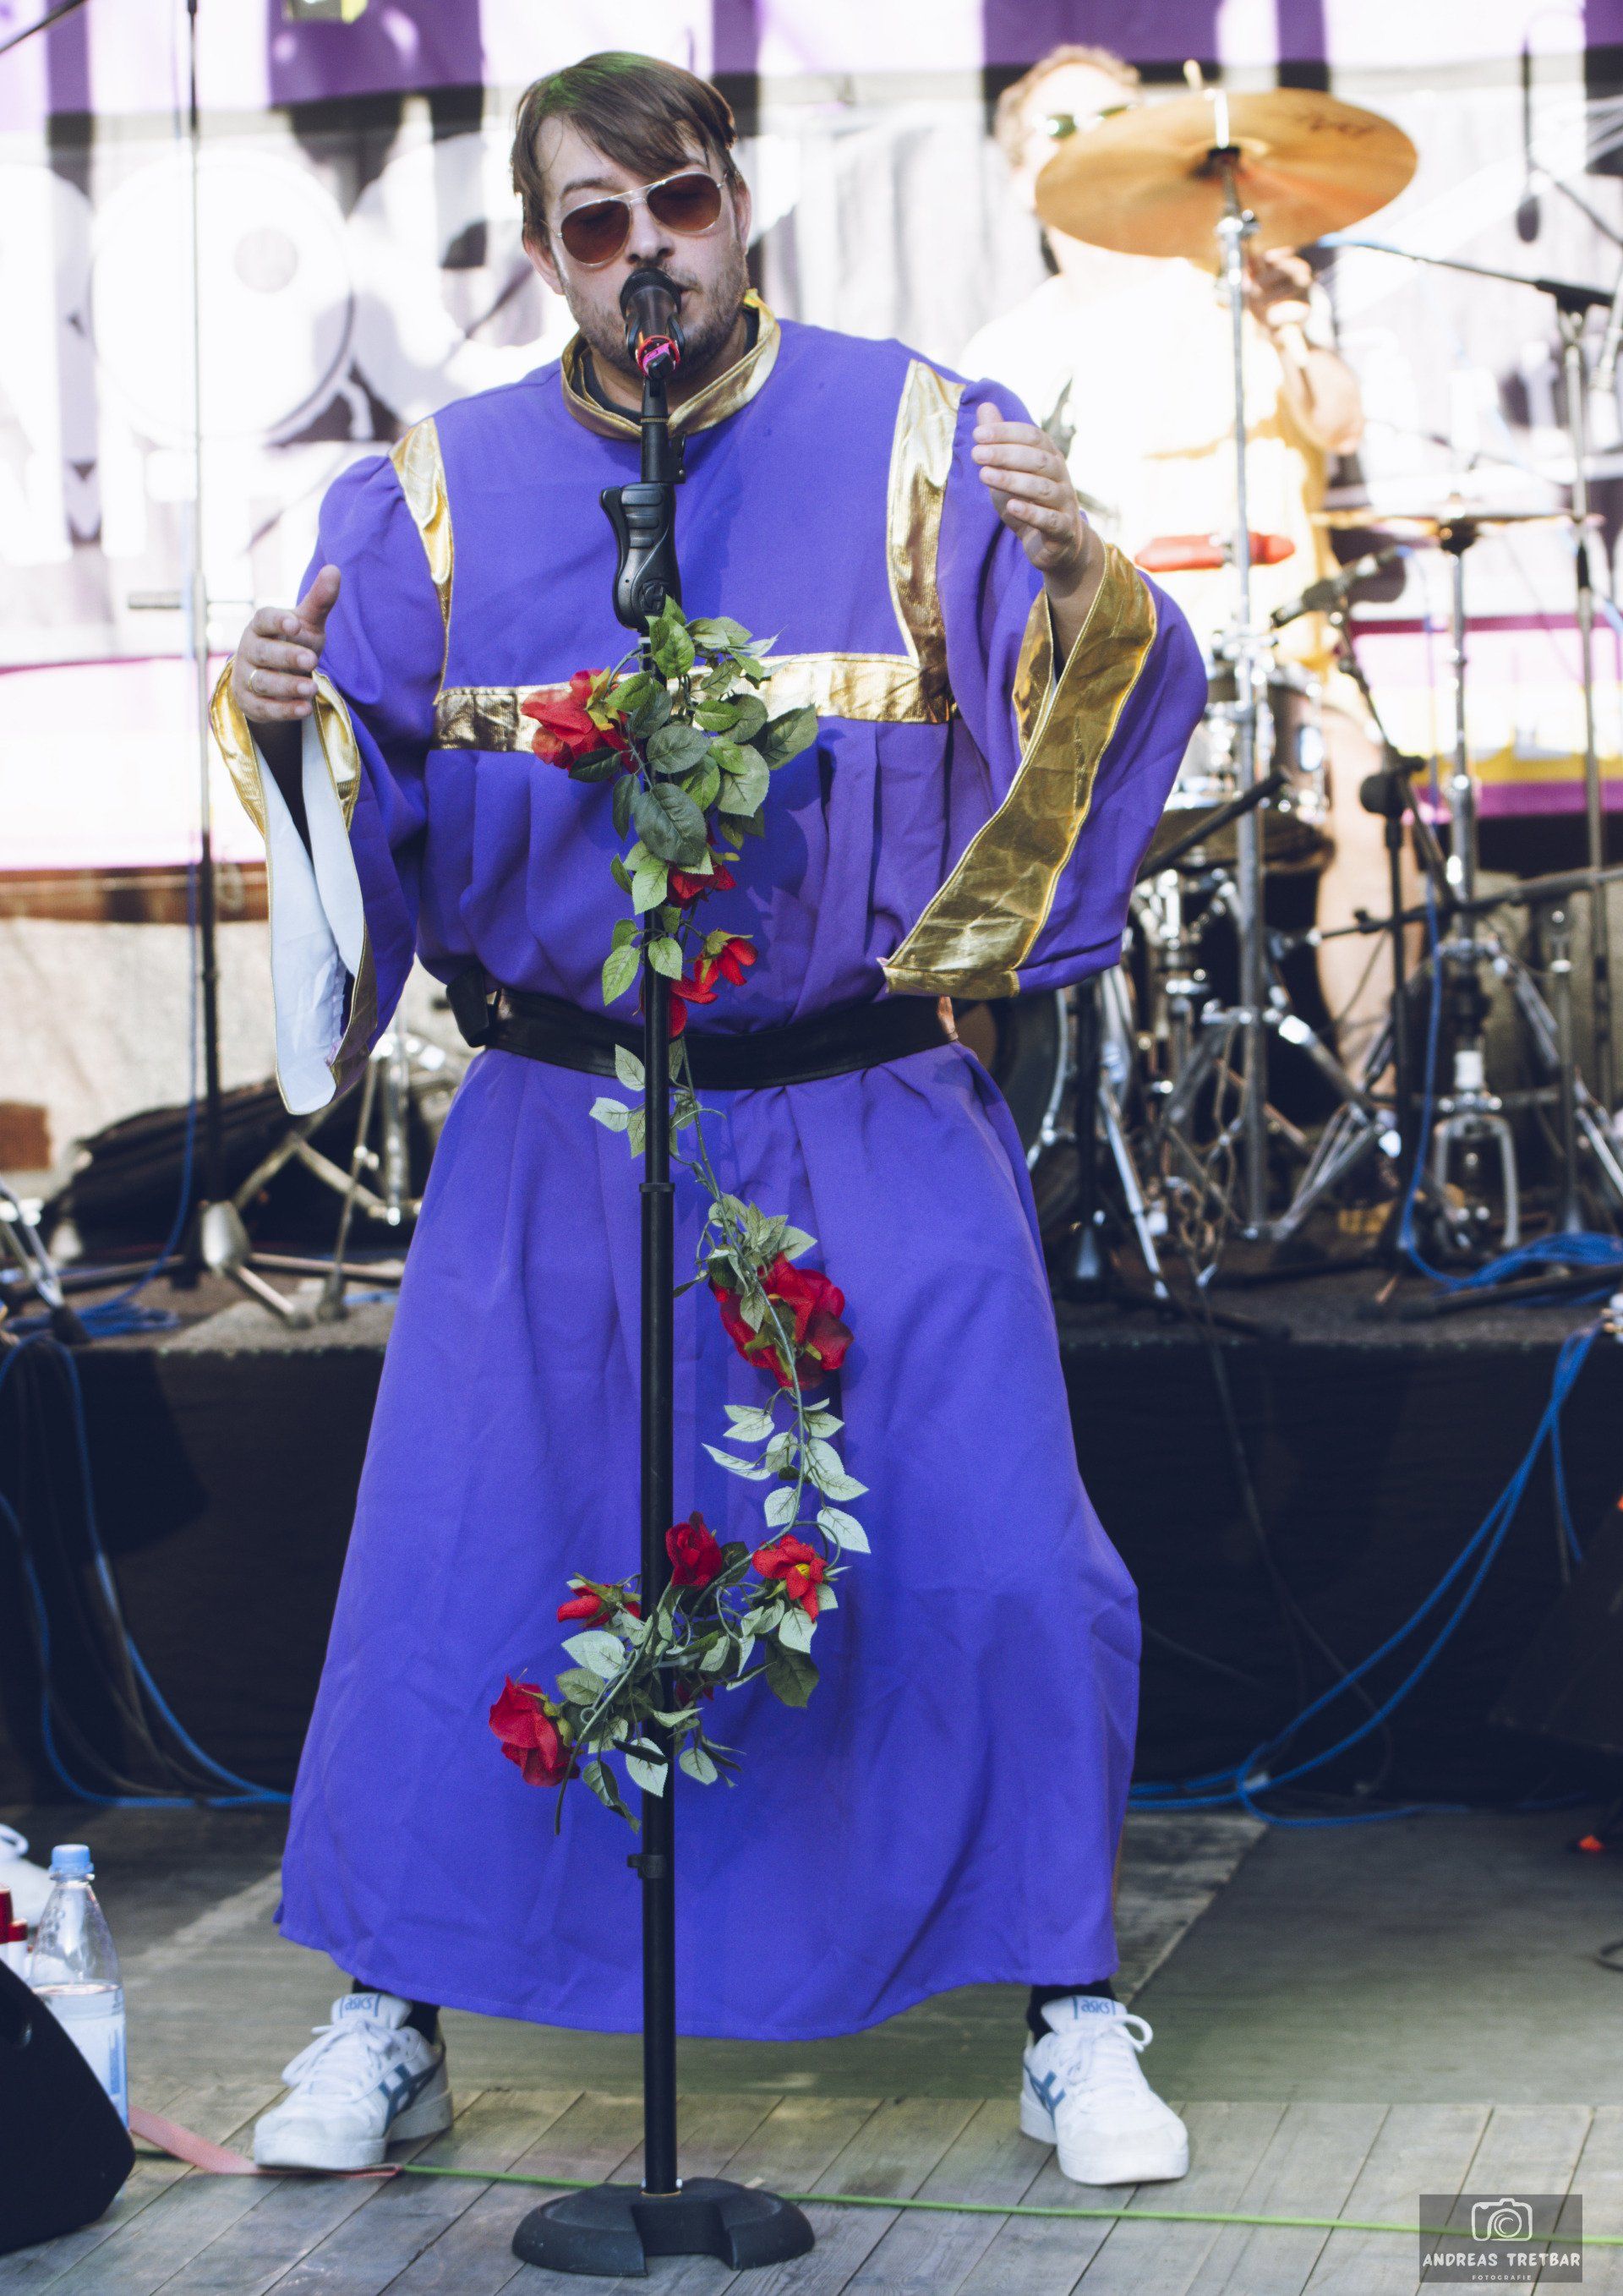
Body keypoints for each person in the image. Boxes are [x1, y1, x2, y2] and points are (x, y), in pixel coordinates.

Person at [215, 52, 1206, 2188]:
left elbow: (1092, 700)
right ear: (543, 256)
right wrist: (284, 726)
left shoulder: (927, 440)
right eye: (596, 224)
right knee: (466, 1554)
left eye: (675, 203)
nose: (645, 254)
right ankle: (391, 2009)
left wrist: (1083, 584)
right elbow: (351, 798)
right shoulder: (433, 495)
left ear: (734, 200)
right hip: (559, 1132)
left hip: (866, 1105)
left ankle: (1068, 2003)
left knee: (1001, 1558)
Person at [964, 44, 1390, 1051]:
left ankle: (1377, 1116)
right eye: (1061, 128)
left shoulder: (1232, 287)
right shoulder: (1002, 353)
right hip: (1097, 677)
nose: (1089, 142)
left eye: (1112, 118)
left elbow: (1337, 421)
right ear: (1020, 176)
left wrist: (1288, 324)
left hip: (1266, 665)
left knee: (1376, 799)